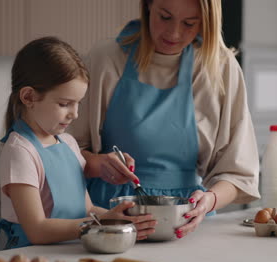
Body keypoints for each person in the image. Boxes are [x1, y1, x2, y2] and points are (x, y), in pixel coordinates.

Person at [69, 0, 261, 239]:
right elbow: (63, 155)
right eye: (165, 17)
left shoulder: (219, 68)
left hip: (186, 225)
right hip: (112, 223)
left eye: (190, 23)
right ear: (148, 5)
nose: (174, 33)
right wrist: (99, 164)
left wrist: (209, 201)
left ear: (207, 22)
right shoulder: (105, 59)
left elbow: (238, 173)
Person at [0, 36, 156, 251]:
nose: (75, 114)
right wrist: (102, 223)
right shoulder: (20, 152)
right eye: (64, 104)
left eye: (78, 103)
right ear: (29, 97)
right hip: (31, 254)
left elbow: (87, 210)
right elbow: (37, 229)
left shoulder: (68, 143)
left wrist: (124, 221)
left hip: (72, 251)